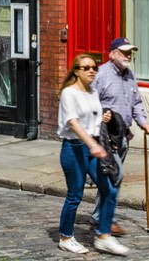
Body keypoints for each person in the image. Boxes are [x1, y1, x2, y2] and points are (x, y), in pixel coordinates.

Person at [57, 54, 128, 257]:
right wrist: (92, 145)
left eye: (94, 67)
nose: (91, 71)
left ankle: (103, 236)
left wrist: (105, 117)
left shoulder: (93, 92)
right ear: (76, 71)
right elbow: (73, 122)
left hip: (94, 146)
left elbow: (94, 119)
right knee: (75, 195)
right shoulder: (69, 93)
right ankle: (66, 237)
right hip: (74, 148)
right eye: (86, 67)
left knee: (110, 190)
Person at [91, 37, 149, 237]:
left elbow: (136, 102)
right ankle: (104, 219)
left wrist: (143, 122)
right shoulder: (101, 75)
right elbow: (89, 103)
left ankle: (100, 216)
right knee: (115, 176)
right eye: (124, 52)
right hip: (105, 137)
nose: (128, 56)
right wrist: (102, 112)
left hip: (123, 136)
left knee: (111, 179)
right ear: (112, 54)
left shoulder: (130, 75)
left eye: (130, 53)